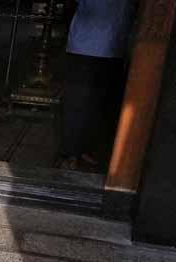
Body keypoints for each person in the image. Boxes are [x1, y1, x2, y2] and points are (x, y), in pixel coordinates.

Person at [59, 0, 137, 172]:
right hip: (86, 45)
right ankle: (71, 153)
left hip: (117, 44)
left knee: (102, 102)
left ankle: (86, 149)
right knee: (78, 102)